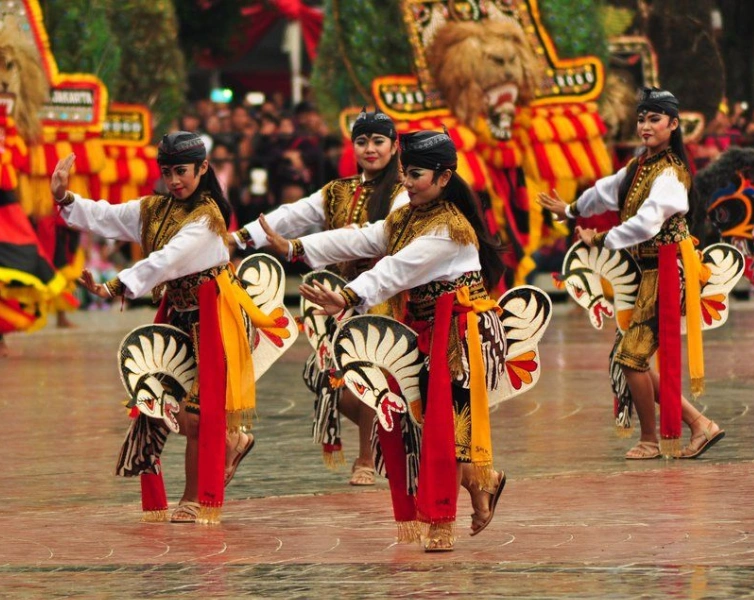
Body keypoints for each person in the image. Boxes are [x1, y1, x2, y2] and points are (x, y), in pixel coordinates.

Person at [261, 130, 508, 552]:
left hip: (461, 335)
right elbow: (363, 238)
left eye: (416, 175)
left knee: (445, 430)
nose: (407, 183)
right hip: (426, 328)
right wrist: (298, 247)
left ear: (444, 177)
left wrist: (347, 296)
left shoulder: (450, 229)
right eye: (405, 174)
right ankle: (486, 482)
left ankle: (444, 520)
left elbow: (397, 269)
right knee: (427, 425)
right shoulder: (408, 216)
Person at [51, 131, 276, 524]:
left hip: (217, 315)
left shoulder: (207, 218)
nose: (175, 181)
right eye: (168, 172)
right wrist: (65, 199)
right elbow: (110, 216)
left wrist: (114, 286)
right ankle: (233, 443)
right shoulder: (156, 208)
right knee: (157, 402)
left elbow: (166, 261)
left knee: (195, 415)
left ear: (203, 168)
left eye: (183, 172)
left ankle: (193, 497)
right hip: (180, 314)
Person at [539, 88, 725, 460]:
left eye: (654, 118)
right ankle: (699, 425)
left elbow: (646, 224)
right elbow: (607, 191)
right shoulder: (640, 166)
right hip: (651, 272)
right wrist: (572, 209)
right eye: (641, 118)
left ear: (673, 125)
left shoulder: (671, 173)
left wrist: (603, 238)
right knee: (632, 356)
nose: (645, 126)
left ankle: (652, 439)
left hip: (669, 271)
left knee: (630, 358)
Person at [231, 109, 407, 486]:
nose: (370, 149)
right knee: (324, 377)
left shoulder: (403, 192)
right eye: (362, 142)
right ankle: (392, 434)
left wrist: (297, 247)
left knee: (367, 373)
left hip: (382, 292)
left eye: (378, 141)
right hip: (334, 298)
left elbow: (375, 236)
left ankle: (365, 458)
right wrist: (240, 239)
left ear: (394, 147)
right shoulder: (338, 190)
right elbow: (293, 214)